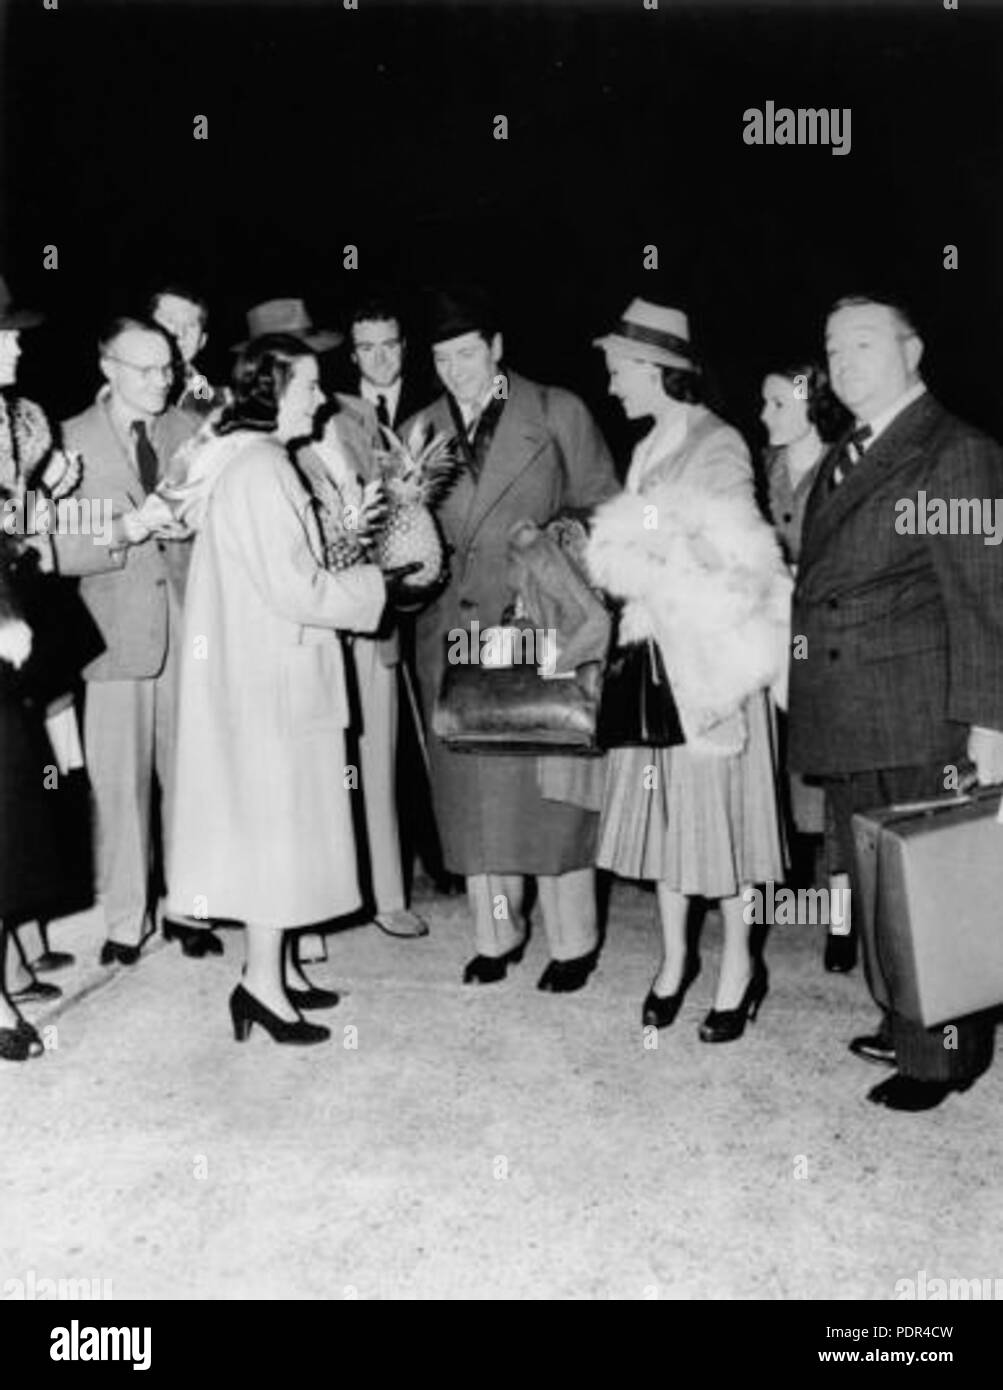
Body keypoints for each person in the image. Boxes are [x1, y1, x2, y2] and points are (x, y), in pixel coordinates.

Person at [790, 292, 1003, 1110]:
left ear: (911, 352)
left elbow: (984, 598)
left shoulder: (956, 452)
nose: (842, 363)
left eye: (863, 344)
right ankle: (906, 1020)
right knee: (880, 888)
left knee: (932, 892)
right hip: (854, 711)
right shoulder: (849, 451)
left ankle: (942, 1059)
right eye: (832, 349)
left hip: (920, 715)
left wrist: (989, 723)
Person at [167, 334, 404, 1044]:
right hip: (274, 685)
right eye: (308, 386)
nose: (320, 399)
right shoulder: (263, 470)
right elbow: (297, 588)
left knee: (285, 831)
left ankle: (283, 970)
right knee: (277, 833)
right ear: (271, 393)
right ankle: (261, 988)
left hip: (267, 677)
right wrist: (376, 586)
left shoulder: (255, 463)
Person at [586, 299, 789, 1042]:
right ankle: (675, 959)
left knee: (724, 827)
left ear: (652, 369)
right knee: (671, 820)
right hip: (656, 660)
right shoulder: (647, 447)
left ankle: (738, 966)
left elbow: (739, 559)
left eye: (618, 371)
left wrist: (649, 544)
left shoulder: (718, 442)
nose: (612, 385)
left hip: (711, 668)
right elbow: (638, 542)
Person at [409, 286, 618, 990]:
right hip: (453, 634)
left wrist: (553, 546)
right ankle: (496, 935)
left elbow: (604, 507)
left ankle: (572, 943)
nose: (455, 371)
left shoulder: (556, 412)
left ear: (497, 349)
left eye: (467, 355)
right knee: (476, 796)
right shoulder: (418, 430)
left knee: (550, 787)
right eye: (442, 359)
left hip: (538, 626)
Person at [52, 316, 201, 965]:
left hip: (189, 627)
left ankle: (191, 907)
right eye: (147, 369)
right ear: (107, 368)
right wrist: (126, 529)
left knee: (191, 776)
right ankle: (124, 920)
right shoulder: (70, 441)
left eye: (168, 367)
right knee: (120, 786)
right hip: (113, 636)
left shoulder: (189, 429)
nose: (162, 380)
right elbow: (56, 547)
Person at [759, 361, 854, 973]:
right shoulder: (766, 466)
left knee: (837, 780)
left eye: (777, 404)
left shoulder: (845, 465)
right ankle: (784, 881)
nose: (764, 415)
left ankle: (842, 920)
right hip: (772, 631)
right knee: (782, 765)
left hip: (828, 638)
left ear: (811, 407)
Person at [150, 284, 228, 419]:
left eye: (191, 325)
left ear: (202, 341)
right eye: (170, 321)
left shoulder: (212, 400)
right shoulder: (122, 385)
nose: (180, 333)